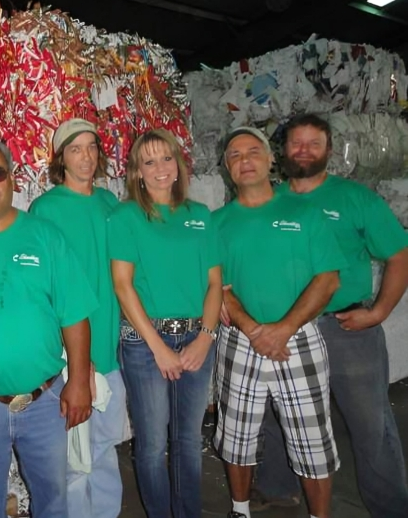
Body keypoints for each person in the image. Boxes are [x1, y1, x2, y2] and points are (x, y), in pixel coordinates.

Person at [250, 113, 408, 516]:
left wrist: (379, 313)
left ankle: (390, 506)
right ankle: (277, 488)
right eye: (296, 143)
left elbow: (399, 255)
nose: (303, 151)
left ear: (329, 151)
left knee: (370, 423)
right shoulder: (268, 199)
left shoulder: (355, 199)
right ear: (283, 150)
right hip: (286, 329)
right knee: (275, 414)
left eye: (313, 144)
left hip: (345, 328)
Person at [0, 137, 97, 518]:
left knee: (52, 500)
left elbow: (75, 314)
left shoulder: (46, 237)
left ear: (12, 179)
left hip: (44, 400)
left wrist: (78, 382)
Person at [213, 126, 346, 518]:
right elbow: (217, 285)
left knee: (312, 437)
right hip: (240, 340)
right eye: (234, 155)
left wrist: (282, 328)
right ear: (226, 168)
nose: (245, 160)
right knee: (236, 435)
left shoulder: (305, 213)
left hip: (298, 339)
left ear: (272, 159)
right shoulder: (217, 222)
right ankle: (240, 509)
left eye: (253, 151)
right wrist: (254, 330)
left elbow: (328, 279)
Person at [108, 128, 222, 518]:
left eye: (166, 158)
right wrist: (158, 347)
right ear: (137, 171)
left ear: (178, 163)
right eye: (149, 161)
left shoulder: (200, 216)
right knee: (154, 443)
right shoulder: (125, 217)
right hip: (144, 344)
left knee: (189, 440)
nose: (160, 168)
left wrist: (205, 338)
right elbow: (123, 287)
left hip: (197, 337)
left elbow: (214, 284)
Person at [28, 118, 125, 518]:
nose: (86, 156)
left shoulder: (110, 204)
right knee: (69, 460)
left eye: (91, 147)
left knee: (103, 452)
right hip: (69, 354)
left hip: (111, 347)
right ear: (60, 158)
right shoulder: (45, 210)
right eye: (75, 148)